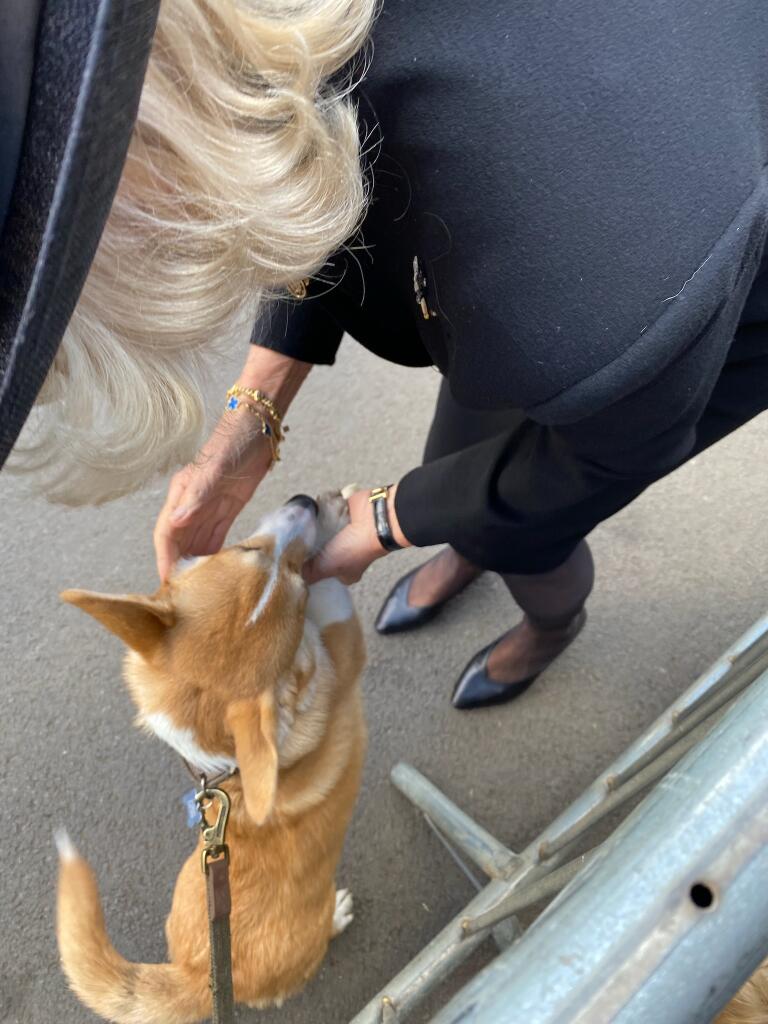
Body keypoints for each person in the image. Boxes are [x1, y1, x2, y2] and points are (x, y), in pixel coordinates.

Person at [3, 0, 768, 710]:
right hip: (595, 240)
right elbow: (307, 164)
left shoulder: (591, 313)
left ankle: (550, 625)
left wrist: (382, 522)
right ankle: (465, 549)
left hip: (704, 290)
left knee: (524, 525)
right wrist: (251, 423)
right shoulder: (258, 29)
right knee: (459, 459)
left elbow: (597, 463)